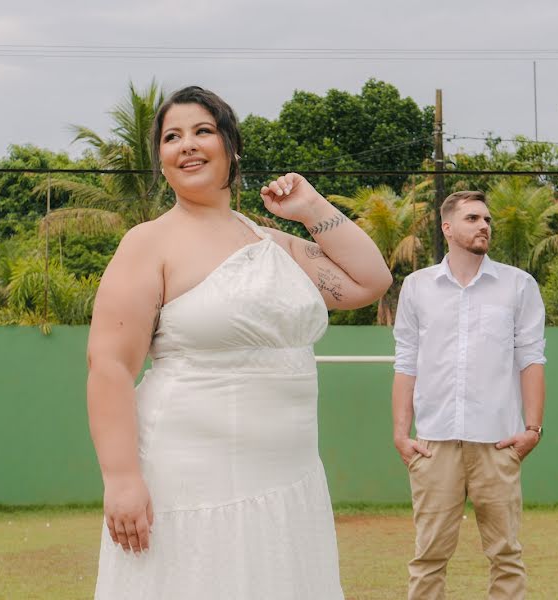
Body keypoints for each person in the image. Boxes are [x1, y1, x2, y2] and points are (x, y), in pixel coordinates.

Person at [86, 85, 392, 599]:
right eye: (171, 136)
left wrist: (310, 206)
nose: (187, 144)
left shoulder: (271, 243)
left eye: (203, 131)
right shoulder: (148, 244)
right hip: (188, 480)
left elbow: (370, 280)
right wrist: (121, 479)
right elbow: (110, 364)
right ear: (160, 159)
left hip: (288, 480)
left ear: (231, 147)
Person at [392, 190, 546, 600]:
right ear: (447, 228)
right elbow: (406, 361)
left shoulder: (518, 285)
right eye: (473, 218)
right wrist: (401, 434)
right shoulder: (417, 287)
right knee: (428, 557)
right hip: (433, 444)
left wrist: (533, 429)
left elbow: (531, 358)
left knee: (506, 555)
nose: (484, 226)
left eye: (487, 220)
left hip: (497, 442)